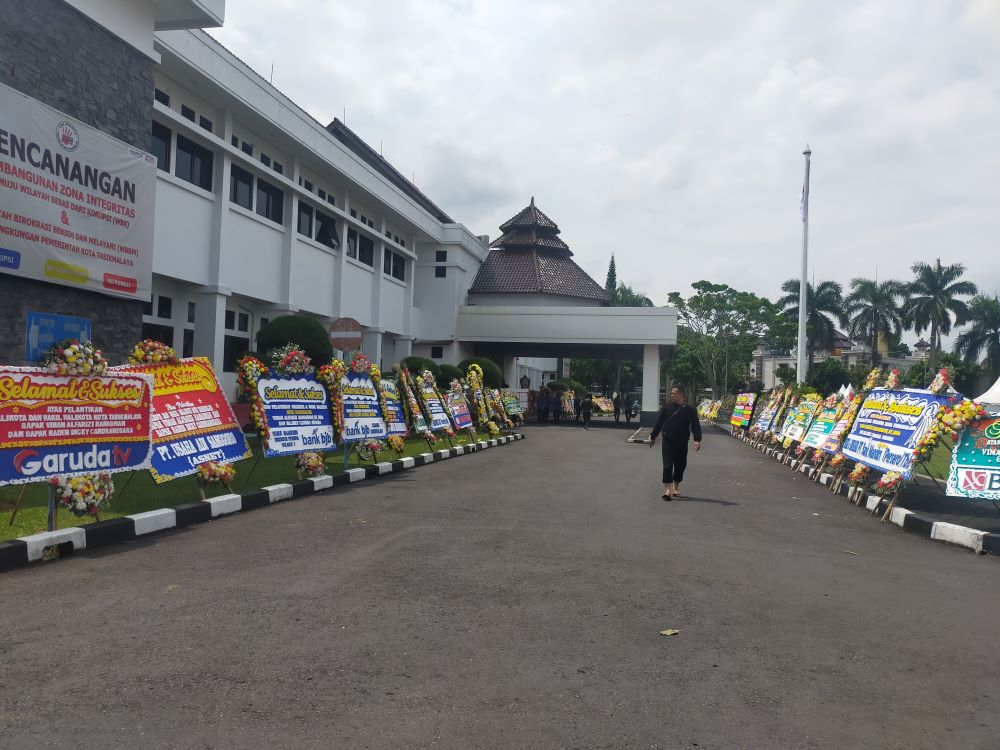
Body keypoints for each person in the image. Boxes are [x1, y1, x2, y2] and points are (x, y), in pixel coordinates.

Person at [648, 385, 702, 500]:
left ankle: (675, 488)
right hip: (668, 440)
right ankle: (667, 490)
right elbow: (659, 423)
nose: (671, 395)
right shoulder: (666, 407)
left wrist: (697, 440)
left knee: (680, 465)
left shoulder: (690, 410)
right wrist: (653, 436)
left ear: (681, 394)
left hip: (682, 442)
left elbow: (695, 425)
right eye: (671, 393)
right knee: (667, 465)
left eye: (673, 393)